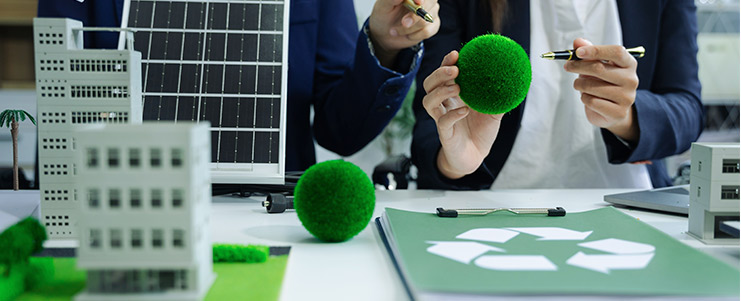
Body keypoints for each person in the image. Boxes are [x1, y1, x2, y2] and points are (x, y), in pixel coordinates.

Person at [37, 0, 440, 172]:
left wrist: (385, 45)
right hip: (118, 203)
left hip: (272, 212)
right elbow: (63, 105)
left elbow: (340, 131)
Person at [412, 0, 703, 189]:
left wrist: (627, 117)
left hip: (629, 203)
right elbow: (430, 119)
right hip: (496, 205)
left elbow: (688, 111)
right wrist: (455, 162)